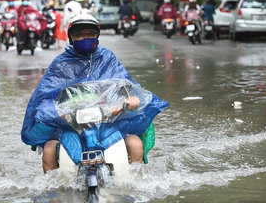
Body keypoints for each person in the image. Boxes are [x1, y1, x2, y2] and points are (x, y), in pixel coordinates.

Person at [21, 14, 169, 173]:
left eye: (90, 34)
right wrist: (50, 111)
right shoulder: (60, 64)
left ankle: (134, 184)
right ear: (71, 37)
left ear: (97, 36)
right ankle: (53, 194)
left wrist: (132, 99)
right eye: (80, 34)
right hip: (70, 124)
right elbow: (45, 95)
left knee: (135, 144)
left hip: (107, 119)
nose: (85, 38)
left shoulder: (107, 58)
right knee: (49, 150)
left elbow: (124, 82)